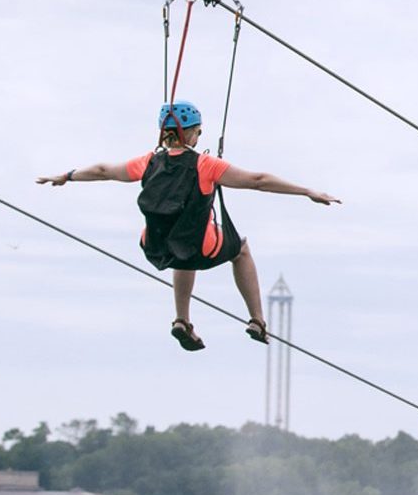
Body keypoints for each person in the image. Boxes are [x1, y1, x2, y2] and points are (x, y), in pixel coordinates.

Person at [38, 101, 338, 350]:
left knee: (182, 243)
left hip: (156, 247)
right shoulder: (205, 165)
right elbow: (257, 181)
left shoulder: (147, 162)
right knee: (240, 250)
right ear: (192, 133)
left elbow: (104, 170)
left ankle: (182, 319)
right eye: (198, 132)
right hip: (200, 248)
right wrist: (306, 191)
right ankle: (257, 320)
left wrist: (68, 175)